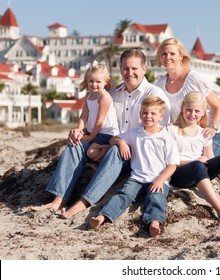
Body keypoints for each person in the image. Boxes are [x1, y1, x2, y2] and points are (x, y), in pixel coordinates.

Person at [31, 48, 171, 216]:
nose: (129, 73)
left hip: (137, 154)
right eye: (126, 68)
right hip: (110, 142)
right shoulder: (113, 94)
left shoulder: (155, 95)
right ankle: (59, 199)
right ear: (120, 69)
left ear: (144, 69)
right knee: (75, 145)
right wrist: (79, 131)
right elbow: (99, 122)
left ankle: (83, 202)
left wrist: (115, 144)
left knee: (115, 151)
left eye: (134, 68)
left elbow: (157, 136)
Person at [90, 96, 179, 237]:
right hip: (137, 178)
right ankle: (103, 216)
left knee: (156, 198)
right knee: (123, 195)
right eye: (144, 113)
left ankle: (154, 222)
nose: (148, 116)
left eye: (152, 114)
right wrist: (122, 143)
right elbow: (113, 139)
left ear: (161, 116)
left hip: (158, 179)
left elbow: (172, 166)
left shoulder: (166, 138)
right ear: (140, 114)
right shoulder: (135, 133)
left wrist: (160, 180)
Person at [167, 91, 220, 224]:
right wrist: (195, 161)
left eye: (197, 111)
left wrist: (204, 162)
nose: (192, 114)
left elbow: (209, 158)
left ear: (203, 112)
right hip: (179, 174)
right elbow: (168, 160)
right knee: (197, 165)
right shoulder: (172, 130)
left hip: (199, 172)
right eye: (189, 110)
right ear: (182, 108)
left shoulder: (203, 132)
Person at [154, 37, 220, 157]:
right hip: (185, 136)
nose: (167, 57)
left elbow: (218, 106)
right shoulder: (160, 84)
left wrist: (213, 128)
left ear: (181, 56)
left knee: (198, 163)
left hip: (212, 135)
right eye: (164, 54)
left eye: (172, 54)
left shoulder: (195, 79)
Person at [77, 61, 119, 166]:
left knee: (91, 152)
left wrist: (91, 137)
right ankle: (90, 163)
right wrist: (79, 129)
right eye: (91, 81)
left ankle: (98, 164)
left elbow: (100, 121)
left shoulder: (104, 97)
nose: (94, 84)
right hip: (93, 131)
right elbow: (84, 115)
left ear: (106, 82)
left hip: (106, 133)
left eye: (98, 82)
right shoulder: (88, 95)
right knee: (75, 141)